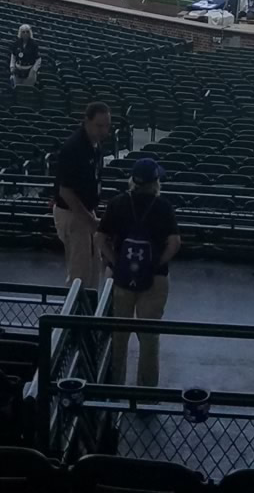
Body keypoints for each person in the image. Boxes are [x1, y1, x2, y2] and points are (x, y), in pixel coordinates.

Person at [100, 156, 180, 388]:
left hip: (121, 278)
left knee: (118, 335)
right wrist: (155, 265)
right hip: (155, 280)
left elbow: (100, 238)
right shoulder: (163, 206)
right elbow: (174, 243)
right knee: (149, 337)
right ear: (155, 182)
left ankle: (114, 388)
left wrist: (116, 263)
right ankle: (145, 392)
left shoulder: (118, 202)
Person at [53, 102, 111, 290]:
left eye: (107, 126)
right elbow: (65, 192)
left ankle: (89, 310)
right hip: (74, 214)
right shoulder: (74, 148)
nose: (104, 130)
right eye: (99, 125)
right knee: (79, 270)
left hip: (85, 211)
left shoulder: (94, 145)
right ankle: (75, 314)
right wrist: (89, 220)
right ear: (87, 121)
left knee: (94, 262)